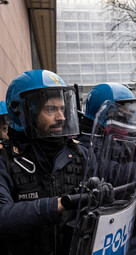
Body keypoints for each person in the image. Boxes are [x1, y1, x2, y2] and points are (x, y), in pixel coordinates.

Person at [0, 70, 87, 255]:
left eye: (63, 109)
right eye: (51, 109)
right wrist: (61, 204)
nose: (61, 117)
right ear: (23, 111)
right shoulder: (5, 160)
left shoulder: (80, 154)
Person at [78, 82, 136, 148]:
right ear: (104, 111)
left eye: (129, 108)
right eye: (123, 110)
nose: (129, 113)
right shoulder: (88, 147)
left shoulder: (115, 138)